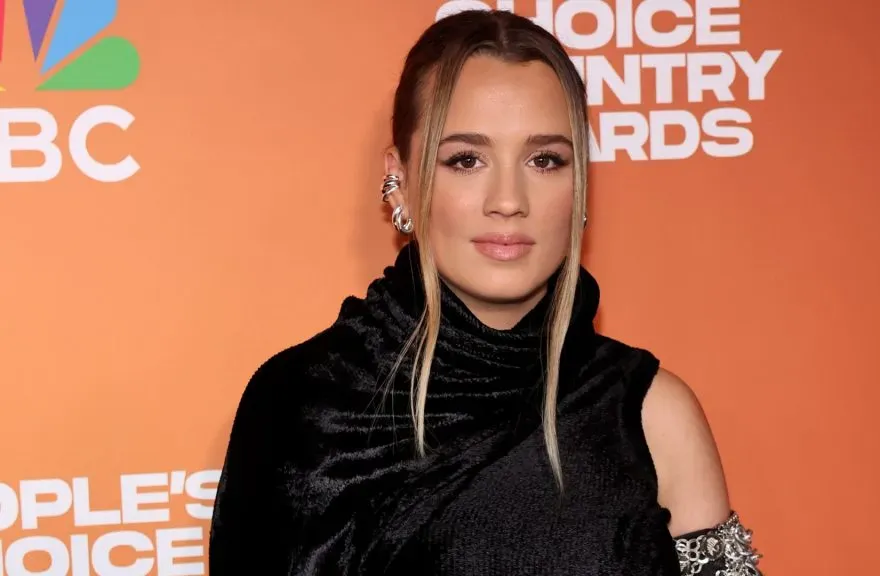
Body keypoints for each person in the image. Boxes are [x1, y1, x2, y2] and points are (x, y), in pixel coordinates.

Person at [208, 9, 763, 576]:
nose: (507, 199)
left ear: (580, 186)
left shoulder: (652, 414)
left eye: (544, 160)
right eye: (466, 160)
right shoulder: (299, 403)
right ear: (399, 179)